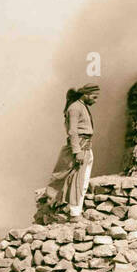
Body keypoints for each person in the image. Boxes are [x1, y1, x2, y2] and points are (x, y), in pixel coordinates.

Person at [42, 83, 99, 219]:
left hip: (86, 146)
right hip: (79, 147)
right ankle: (74, 214)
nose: (95, 100)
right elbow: (72, 131)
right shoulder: (75, 108)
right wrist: (77, 151)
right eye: (94, 97)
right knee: (77, 180)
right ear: (86, 94)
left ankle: (75, 210)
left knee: (83, 181)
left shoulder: (82, 106)